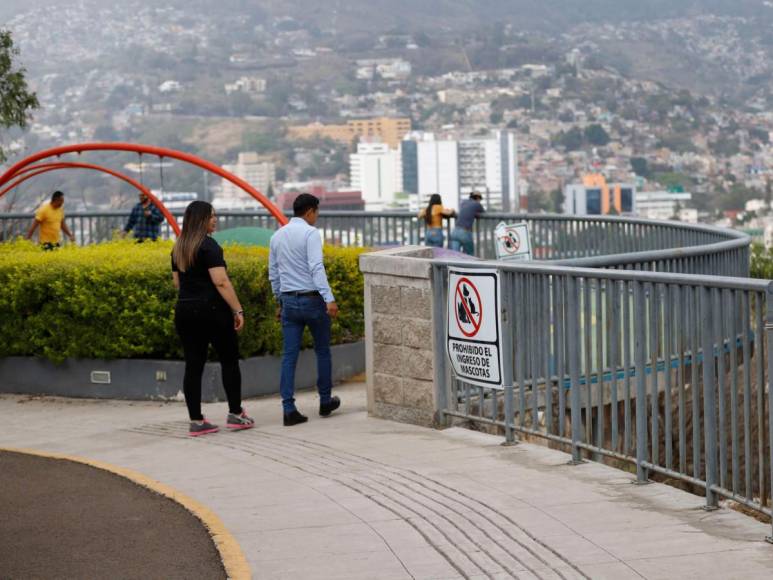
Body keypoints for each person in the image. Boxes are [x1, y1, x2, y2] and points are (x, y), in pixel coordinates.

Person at [171, 200, 254, 436]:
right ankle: (236, 414)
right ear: (200, 220)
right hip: (212, 311)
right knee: (229, 360)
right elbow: (221, 281)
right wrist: (238, 310)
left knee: (193, 365)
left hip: (185, 311)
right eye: (211, 217)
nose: (214, 220)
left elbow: (177, 282)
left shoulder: (178, 248)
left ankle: (196, 421)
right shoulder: (209, 246)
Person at [269, 193, 341, 426]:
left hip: (289, 302)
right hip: (312, 301)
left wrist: (278, 301)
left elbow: (274, 273)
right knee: (322, 351)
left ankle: (288, 409)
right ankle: (325, 400)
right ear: (309, 211)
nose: (316, 217)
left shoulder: (277, 236)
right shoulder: (311, 234)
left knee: (289, 356)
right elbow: (316, 267)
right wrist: (329, 298)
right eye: (316, 212)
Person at [450, 191, 486, 255]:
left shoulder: (463, 202)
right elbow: (483, 212)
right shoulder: (477, 204)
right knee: (470, 255)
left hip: (455, 231)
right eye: (480, 199)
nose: (480, 201)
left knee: (455, 256)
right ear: (478, 198)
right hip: (465, 232)